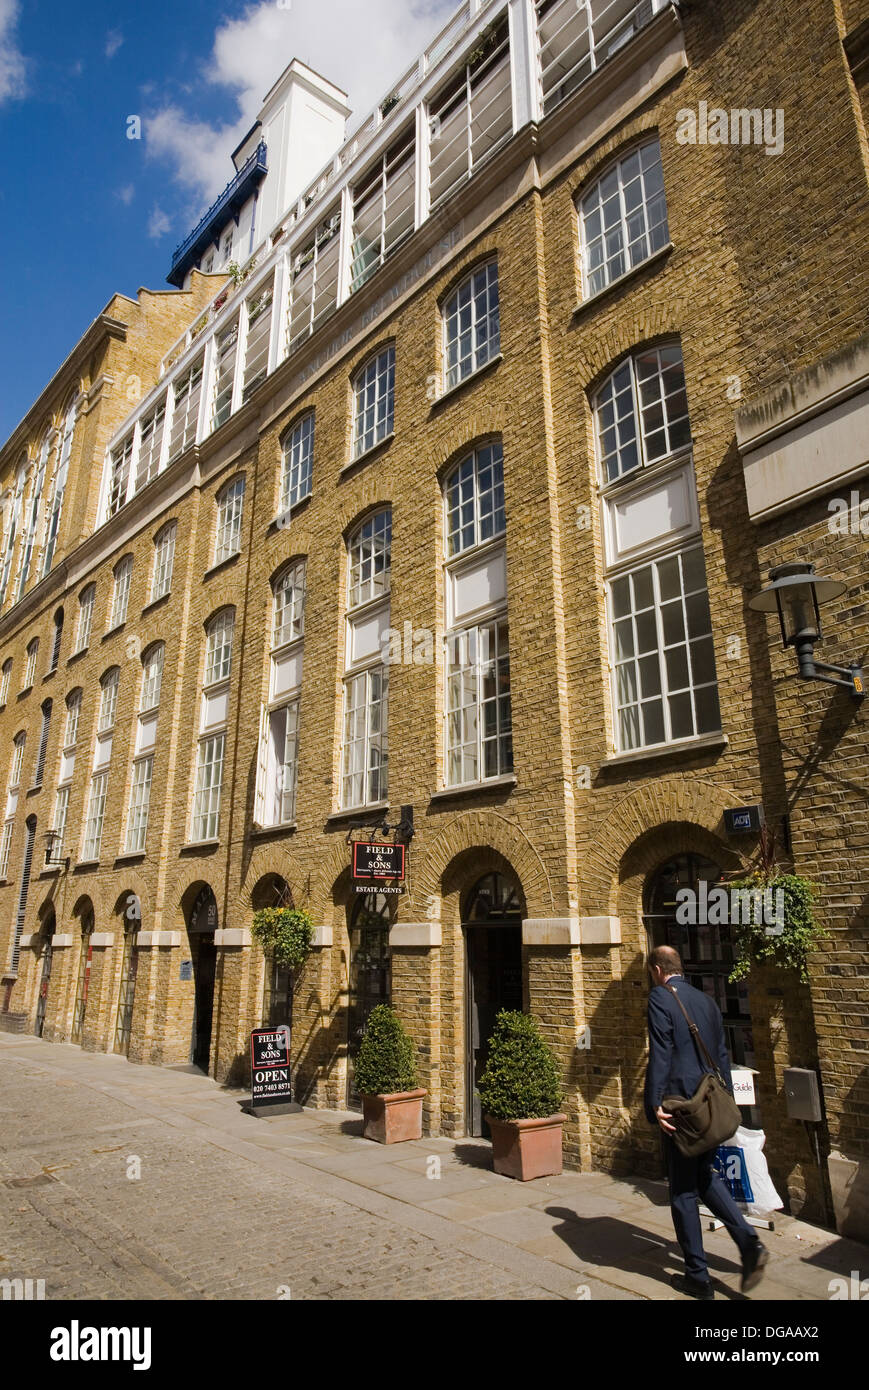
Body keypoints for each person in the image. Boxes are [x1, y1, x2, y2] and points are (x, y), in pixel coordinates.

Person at [644, 945, 769, 1300]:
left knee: (682, 1190)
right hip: (709, 1104)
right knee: (703, 1177)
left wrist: (654, 1103)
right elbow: (722, 1053)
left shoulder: (660, 997)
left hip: (682, 1108)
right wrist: (722, 1097)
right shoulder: (706, 1001)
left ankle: (698, 1276)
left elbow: (661, 1052)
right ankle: (748, 1242)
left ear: (656, 969)